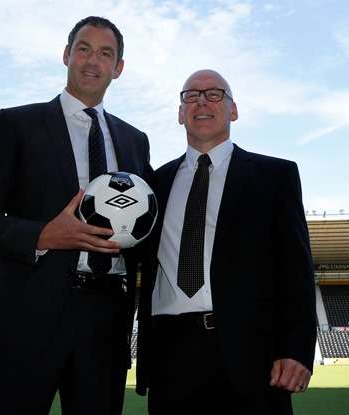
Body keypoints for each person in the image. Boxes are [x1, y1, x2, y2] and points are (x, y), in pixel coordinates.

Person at [0, 16, 152, 415]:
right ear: (66, 55)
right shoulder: (17, 124)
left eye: (105, 53)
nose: (92, 61)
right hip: (28, 318)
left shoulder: (135, 141)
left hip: (106, 323)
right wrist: (43, 235)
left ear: (119, 68)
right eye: (83, 48)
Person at [135, 69, 316, 415]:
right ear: (179, 113)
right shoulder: (153, 184)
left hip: (251, 355)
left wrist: (297, 347)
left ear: (233, 110)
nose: (201, 101)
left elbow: (296, 269)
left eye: (214, 94)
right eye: (191, 95)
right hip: (170, 354)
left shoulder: (275, 177)